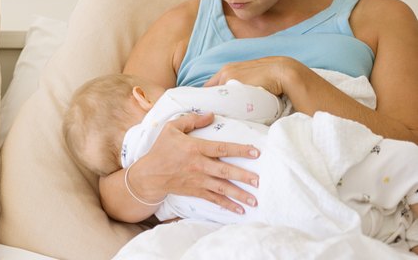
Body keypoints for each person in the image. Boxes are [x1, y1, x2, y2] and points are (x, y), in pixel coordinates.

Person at [97, 0, 418, 244]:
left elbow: (409, 151)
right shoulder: (179, 30)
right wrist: (154, 173)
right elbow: (112, 191)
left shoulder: (380, 20)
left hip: (340, 226)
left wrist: (291, 75)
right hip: (216, 237)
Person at [64, 73, 418, 252]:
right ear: (141, 97)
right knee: (388, 165)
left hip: (282, 216)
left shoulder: (164, 205)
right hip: (296, 159)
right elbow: (247, 103)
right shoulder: (171, 105)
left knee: (361, 228)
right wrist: (272, 101)